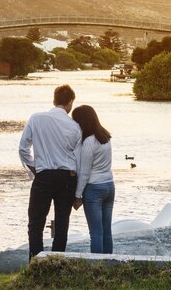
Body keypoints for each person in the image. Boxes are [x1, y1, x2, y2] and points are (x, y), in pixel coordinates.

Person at [19, 84, 82, 259]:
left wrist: (34, 169)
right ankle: (56, 261)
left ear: (54, 100)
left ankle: (36, 261)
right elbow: (77, 158)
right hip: (67, 177)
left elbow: (23, 149)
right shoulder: (75, 127)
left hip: (44, 175)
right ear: (70, 103)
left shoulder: (36, 118)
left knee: (36, 223)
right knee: (62, 223)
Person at [72, 105, 114, 254]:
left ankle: (97, 266)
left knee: (95, 232)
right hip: (109, 185)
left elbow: (84, 172)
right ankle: (109, 263)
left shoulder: (89, 142)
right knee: (106, 230)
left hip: (94, 188)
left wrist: (77, 196)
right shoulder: (106, 137)